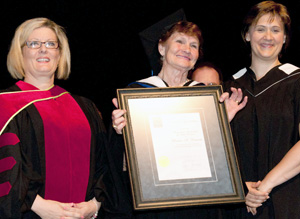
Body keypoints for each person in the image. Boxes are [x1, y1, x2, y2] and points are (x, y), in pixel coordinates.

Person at [110, 14, 247, 218]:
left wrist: (220, 125)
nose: (187, 49)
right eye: (180, 41)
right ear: (162, 48)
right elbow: (123, 165)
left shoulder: (206, 97)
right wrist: (120, 133)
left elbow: (217, 161)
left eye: (194, 45)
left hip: (199, 200)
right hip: (155, 201)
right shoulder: (137, 94)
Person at [0, 17, 129, 218]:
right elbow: (6, 170)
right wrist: (36, 204)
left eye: (51, 44)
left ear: (59, 54)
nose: (43, 49)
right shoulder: (6, 106)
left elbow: (103, 163)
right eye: (34, 43)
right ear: (20, 52)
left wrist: (95, 205)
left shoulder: (85, 106)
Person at [223, 1, 300, 218]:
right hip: (239, 203)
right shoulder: (228, 88)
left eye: (276, 30)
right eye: (260, 29)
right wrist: (240, 187)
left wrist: (264, 187)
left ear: (284, 38)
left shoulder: (296, 81)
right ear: (247, 35)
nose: (268, 36)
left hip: (287, 199)